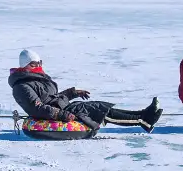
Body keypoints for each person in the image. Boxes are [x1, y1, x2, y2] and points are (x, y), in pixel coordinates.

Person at [9, 49, 163, 133]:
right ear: (26, 65)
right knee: (100, 113)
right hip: (56, 115)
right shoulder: (22, 87)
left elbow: (51, 98)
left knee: (99, 106)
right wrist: (62, 114)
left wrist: (72, 93)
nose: (39, 65)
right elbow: (37, 108)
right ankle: (143, 120)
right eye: (36, 63)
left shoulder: (38, 78)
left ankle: (143, 114)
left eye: (40, 62)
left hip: (62, 108)